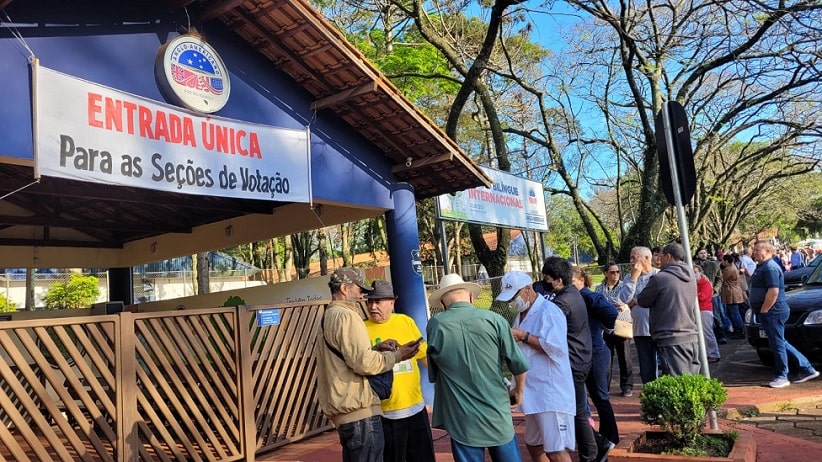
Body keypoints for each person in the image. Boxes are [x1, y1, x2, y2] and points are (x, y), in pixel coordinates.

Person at [316, 267, 422, 462]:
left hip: (346, 411)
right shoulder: (347, 316)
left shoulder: (329, 315)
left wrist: (375, 349)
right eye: (359, 290)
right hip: (359, 413)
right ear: (345, 289)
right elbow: (364, 363)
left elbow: (348, 358)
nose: (362, 296)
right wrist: (398, 355)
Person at [426, 273, 529, 462]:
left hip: (461, 415)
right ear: (471, 297)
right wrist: (518, 390)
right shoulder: (495, 320)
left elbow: (434, 373)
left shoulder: (436, 325)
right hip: (496, 410)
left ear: (442, 303)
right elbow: (518, 363)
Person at [496, 271, 575, 462]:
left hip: (550, 393)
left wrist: (524, 336)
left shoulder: (549, 311)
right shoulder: (520, 315)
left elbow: (556, 348)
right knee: (533, 444)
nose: (512, 302)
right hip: (532, 392)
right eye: (509, 298)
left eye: (514, 296)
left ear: (527, 289)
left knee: (556, 451)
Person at [541, 257, 614, 462]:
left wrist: (527, 337)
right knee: (578, 409)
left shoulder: (562, 302)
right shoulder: (573, 293)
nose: (545, 282)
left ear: (558, 280)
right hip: (580, 358)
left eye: (547, 278)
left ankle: (593, 449)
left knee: (575, 410)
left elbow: (549, 336)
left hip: (573, 361)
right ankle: (595, 446)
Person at [363, 280, 435, 462]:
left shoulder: (405, 321)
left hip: (415, 409)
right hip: (384, 414)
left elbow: (424, 355)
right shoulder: (361, 329)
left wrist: (442, 380)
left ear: (391, 303)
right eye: (369, 301)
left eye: (378, 302)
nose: (372, 306)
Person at [750, 241, 820, 388]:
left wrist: (764, 309)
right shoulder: (762, 267)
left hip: (773, 312)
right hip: (769, 312)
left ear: (767, 251)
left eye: (757, 250)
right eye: (754, 250)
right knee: (779, 342)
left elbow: (773, 291)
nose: (754, 252)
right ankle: (806, 368)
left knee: (777, 344)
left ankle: (782, 375)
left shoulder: (770, 268)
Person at [571, 266, 619, 446]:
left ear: (582, 280)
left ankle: (611, 436)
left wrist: (604, 329)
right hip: (584, 352)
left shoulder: (588, 296)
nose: (570, 287)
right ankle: (594, 436)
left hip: (596, 352)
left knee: (600, 397)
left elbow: (611, 312)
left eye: (572, 283)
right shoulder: (574, 297)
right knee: (584, 398)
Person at [637, 243, 700, 376]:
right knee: (690, 381)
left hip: (669, 337)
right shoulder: (691, 276)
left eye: (661, 256)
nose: (659, 260)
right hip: (690, 335)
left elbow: (642, 300)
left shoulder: (660, 278)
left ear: (669, 257)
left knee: (677, 383)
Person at [615, 246, 660, 384]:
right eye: (631, 257)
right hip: (640, 329)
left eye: (634, 257)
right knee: (646, 366)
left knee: (664, 363)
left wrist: (637, 300)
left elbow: (656, 298)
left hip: (658, 327)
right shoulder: (629, 277)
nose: (631, 260)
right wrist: (634, 278)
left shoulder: (659, 275)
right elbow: (623, 298)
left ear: (647, 258)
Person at [595, 263, 634, 397]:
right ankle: (605, 386)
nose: (616, 274)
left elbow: (629, 299)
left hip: (621, 323)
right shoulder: (599, 288)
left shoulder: (624, 286)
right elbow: (597, 304)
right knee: (606, 357)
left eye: (617, 272)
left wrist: (626, 306)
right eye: (612, 272)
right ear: (606, 273)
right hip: (606, 327)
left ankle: (627, 386)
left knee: (625, 356)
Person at [694, 265, 721, 364]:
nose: (694, 274)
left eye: (695, 272)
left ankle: (714, 353)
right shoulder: (695, 284)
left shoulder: (705, 283)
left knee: (707, 332)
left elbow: (702, 297)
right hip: (698, 310)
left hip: (704, 310)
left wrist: (693, 295)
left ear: (701, 273)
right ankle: (707, 353)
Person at [720, 254, 746, 338]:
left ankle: (739, 330)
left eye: (723, 260)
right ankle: (738, 329)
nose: (722, 262)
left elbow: (722, 279)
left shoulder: (728, 269)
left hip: (731, 292)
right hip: (734, 291)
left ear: (726, 261)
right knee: (733, 312)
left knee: (734, 313)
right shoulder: (734, 267)